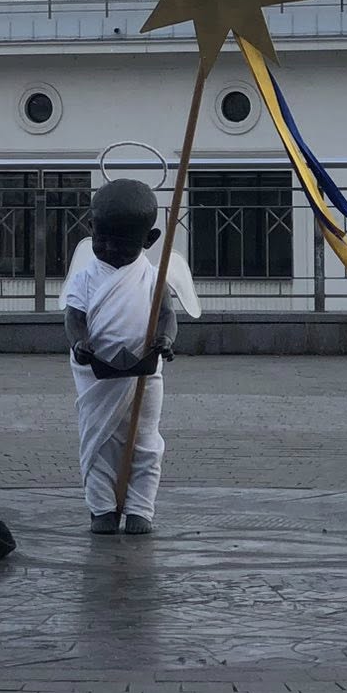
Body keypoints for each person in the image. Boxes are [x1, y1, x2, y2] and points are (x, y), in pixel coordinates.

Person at [62, 178, 200, 535]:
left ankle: (140, 508)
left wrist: (165, 339)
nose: (109, 249)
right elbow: (74, 317)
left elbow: (167, 316)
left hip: (144, 373)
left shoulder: (154, 278)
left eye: (122, 246)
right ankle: (102, 508)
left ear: (149, 240)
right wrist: (79, 342)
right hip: (96, 374)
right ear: (91, 227)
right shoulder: (85, 278)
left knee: (144, 442)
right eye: (102, 241)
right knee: (98, 441)